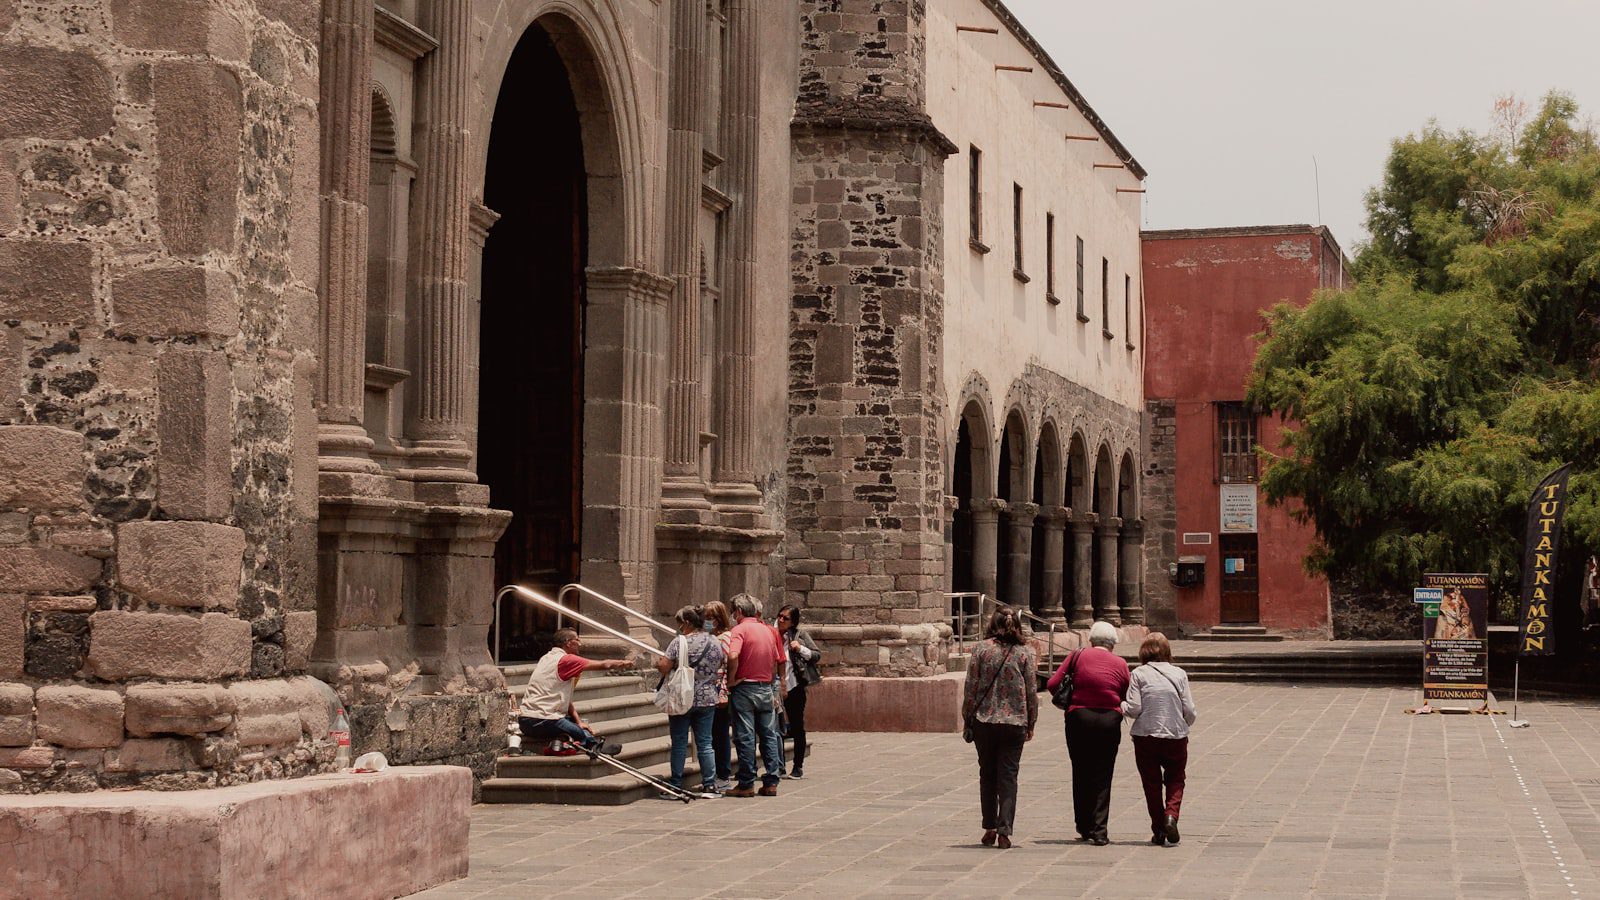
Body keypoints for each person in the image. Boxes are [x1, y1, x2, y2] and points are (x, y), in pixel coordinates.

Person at [1046, 620, 1130, 845]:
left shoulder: (1077, 655)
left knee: (1081, 770)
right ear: (1113, 643)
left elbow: (1053, 684)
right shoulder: (1120, 663)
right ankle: (1099, 830)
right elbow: (1126, 692)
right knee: (1103, 773)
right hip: (1108, 721)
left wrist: (1073, 699)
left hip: (1079, 718)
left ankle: (1083, 826)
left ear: (1091, 640)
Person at [962, 605, 1038, 849]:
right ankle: (1005, 830)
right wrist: (1031, 722)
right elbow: (1031, 691)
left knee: (987, 776)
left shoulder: (981, 650)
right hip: (1015, 722)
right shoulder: (1024, 653)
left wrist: (967, 717)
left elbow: (971, 687)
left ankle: (990, 827)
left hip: (985, 721)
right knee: (1008, 777)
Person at [1122, 632, 1197, 846]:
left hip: (1146, 736)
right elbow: (1189, 710)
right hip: (1175, 735)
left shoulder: (1138, 673)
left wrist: (1122, 706)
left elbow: (1135, 708)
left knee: (1151, 783)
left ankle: (1159, 830)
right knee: (1175, 778)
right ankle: (1171, 816)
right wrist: (1183, 724)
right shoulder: (1179, 673)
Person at [518, 628, 632, 755]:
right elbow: (604, 665)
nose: (580, 644)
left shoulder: (546, 658)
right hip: (541, 720)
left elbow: (565, 700)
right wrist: (623, 662)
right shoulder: (567, 660)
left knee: (575, 724)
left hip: (525, 721)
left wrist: (579, 721)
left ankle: (582, 742)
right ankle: (594, 747)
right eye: (577, 640)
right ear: (568, 643)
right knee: (578, 732)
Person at [654, 606, 726, 798]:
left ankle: (676, 784)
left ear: (686, 623)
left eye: (679, 623)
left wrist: (657, 662)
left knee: (679, 742)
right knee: (705, 742)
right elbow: (720, 663)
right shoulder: (715, 641)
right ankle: (709, 784)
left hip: (681, 698)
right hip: (707, 697)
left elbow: (664, 666)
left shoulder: (680, 642)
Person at [723, 593, 787, 797]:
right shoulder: (768, 630)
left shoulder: (739, 629)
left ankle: (746, 782)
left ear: (739, 611)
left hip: (745, 688)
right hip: (766, 687)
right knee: (768, 735)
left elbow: (733, 655)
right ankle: (771, 781)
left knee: (746, 736)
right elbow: (778, 659)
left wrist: (731, 679)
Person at [777, 604, 821, 779]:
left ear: (793, 622)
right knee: (775, 728)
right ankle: (778, 766)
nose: (781, 620)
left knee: (797, 726)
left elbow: (817, 655)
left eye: (785, 618)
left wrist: (800, 649)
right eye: (779, 616)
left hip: (794, 685)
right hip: (775, 687)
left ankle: (797, 766)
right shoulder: (771, 633)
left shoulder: (799, 635)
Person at [702, 599, 736, 791]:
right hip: (711, 688)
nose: (707, 621)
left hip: (719, 689)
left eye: (709, 618)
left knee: (720, 733)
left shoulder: (723, 638)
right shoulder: (711, 636)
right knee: (714, 733)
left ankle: (722, 773)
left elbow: (725, 662)